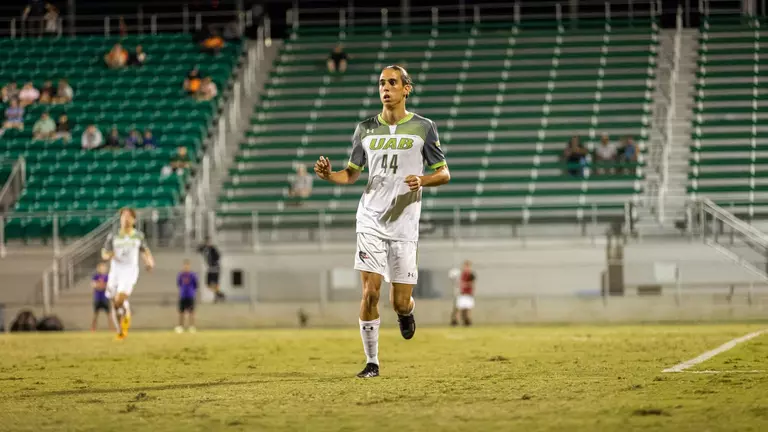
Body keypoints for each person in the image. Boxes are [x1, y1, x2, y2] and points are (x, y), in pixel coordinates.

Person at [313, 65, 450, 378]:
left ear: (406, 89)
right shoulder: (365, 129)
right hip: (370, 221)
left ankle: (406, 313)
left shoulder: (424, 127)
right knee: (369, 293)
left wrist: (423, 180)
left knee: (399, 301)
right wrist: (328, 176)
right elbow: (351, 174)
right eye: (381, 83)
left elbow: (444, 173)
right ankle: (372, 362)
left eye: (392, 83)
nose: (385, 88)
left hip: (404, 224)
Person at [101, 207, 155, 340]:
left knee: (119, 299)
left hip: (129, 272)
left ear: (134, 219)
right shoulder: (113, 235)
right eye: (123, 216)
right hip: (115, 272)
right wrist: (107, 256)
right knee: (114, 303)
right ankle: (120, 331)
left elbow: (145, 251)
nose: (125, 219)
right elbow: (104, 252)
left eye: (128, 216)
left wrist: (149, 262)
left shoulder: (138, 235)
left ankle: (126, 311)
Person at [197, 237, 225, 302]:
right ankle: (219, 294)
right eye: (207, 242)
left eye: (209, 242)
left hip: (215, 268)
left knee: (215, 283)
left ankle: (217, 297)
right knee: (208, 284)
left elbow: (218, 256)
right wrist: (203, 245)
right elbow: (198, 249)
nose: (208, 243)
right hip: (210, 268)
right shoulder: (204, 248)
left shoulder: (213, 249)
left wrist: (212, 250)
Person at [175, 259, 199, 333]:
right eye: (185, 266)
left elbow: (196, 284)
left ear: (189, 266)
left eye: (187, 265)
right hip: (183, 296)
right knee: (181, 312)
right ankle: (180, 327)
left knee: (191, 312)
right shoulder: (181, 275)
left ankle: (192, 327)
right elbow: (179, 284)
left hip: (190, 295)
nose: (186, 267)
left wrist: (191, 291)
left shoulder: (193, 275)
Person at [451, 261, 476, 327]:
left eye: (468, 266)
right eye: (465, 266)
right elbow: (458, 284)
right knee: (458, 308)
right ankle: (455, 321)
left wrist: (464, 284)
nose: (466, 268)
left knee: (468, 309)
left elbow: (472, 284)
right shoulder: (461, 274)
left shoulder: (471, 275)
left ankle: (468, 322)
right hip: (462, 294)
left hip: (469, 294)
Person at [91, 262, 112, 331]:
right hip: (97, 298)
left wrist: (100, 285)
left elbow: (108, 286)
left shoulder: (108, 277)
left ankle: (112, 328)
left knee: (109, 314)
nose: (103, 269)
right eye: (101, 267)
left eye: (104, 267)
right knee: (95, 315)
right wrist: (101, 285)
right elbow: (94, 285)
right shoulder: (95, 276)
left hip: (105, 298)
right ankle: (93, 328)